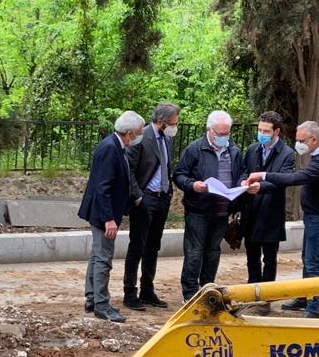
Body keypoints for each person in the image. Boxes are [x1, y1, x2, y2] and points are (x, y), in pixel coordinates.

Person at [244, 120, 319, 318]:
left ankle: (313, 309)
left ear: (314, 139)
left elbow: (293, 179)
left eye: (301, 140)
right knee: (308, 259)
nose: (298, 144)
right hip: (316, 216)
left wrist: (262, 175)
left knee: (313, 263)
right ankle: (304, 297)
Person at [78, 110, 145, 323]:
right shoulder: (110, 148)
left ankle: (92, 297)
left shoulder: (116, 145)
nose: (140, 136)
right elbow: (102, 187)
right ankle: (102, 304)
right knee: (103, 258)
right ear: (130, 132)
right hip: (103, 213)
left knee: (97, 255)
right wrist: (109, 218)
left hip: (104, 210)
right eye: (139, 132)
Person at [174, 109, 245, 302]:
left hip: (222, 211)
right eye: (220, 134)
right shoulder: (195, 149)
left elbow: (241, 173)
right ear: (209, 130)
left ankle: (207, 289)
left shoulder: (234, 150)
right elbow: (179, 175)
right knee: (195, 251)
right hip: (199, 209)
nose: (224, 137)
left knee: (213, 251)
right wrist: (192, 185)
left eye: (227, 133)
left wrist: (242, 184)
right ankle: (189, 294)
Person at [122, 102, 180, 311]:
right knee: (137, 246)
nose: (176, 126)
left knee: (153, 247)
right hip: (145, 199)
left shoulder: (167, 139)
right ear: (162, 122)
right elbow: (128, 171)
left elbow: (167, 166)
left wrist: (168, 193)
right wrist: (138, 197)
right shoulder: (141, 138)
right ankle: (130, 292)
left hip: (162, 198)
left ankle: (148, 289)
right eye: (173, 123)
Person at [240, 111, 296, 314]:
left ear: (276, 131)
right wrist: (243, 182)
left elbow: (283, 180)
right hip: (251, 210)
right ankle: (250, 292)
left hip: (271, 212)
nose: (261, 133)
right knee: (251, 256)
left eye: (266, 131)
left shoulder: (287, 153)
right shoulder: (253, 149)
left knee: (269, 258)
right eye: (259, 129)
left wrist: (261, 186)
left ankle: (266, 297)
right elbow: (245, 172)